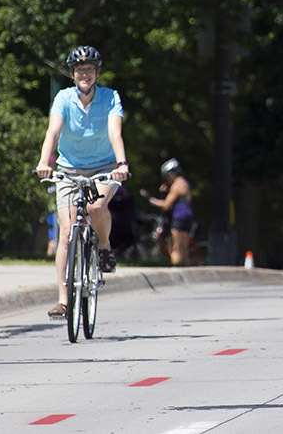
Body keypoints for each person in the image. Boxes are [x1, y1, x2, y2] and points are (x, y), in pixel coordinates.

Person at [35, 45, 129, 318]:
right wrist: (44, 162)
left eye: (89, 69)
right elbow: (52, 132)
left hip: (106, 167)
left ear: (97, 72)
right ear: (73, 74)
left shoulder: (110, 97)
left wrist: (121, 164)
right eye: (79, 70)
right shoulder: (63, 98)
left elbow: (115, 132)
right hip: (69, 169)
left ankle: (103, 247)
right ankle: (64, 300)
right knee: (65, 232)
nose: (84, 74)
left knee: (97, 208)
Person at [141, 158, 194, 265]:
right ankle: (187, 271)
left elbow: (166, 205)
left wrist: (150, 199)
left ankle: (176, 270)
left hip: (179, 217)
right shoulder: (185, 183)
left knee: (175, 248)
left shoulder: (176, 185)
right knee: (184, 249)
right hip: (187, 216)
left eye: (167, 177)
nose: (167, 180)